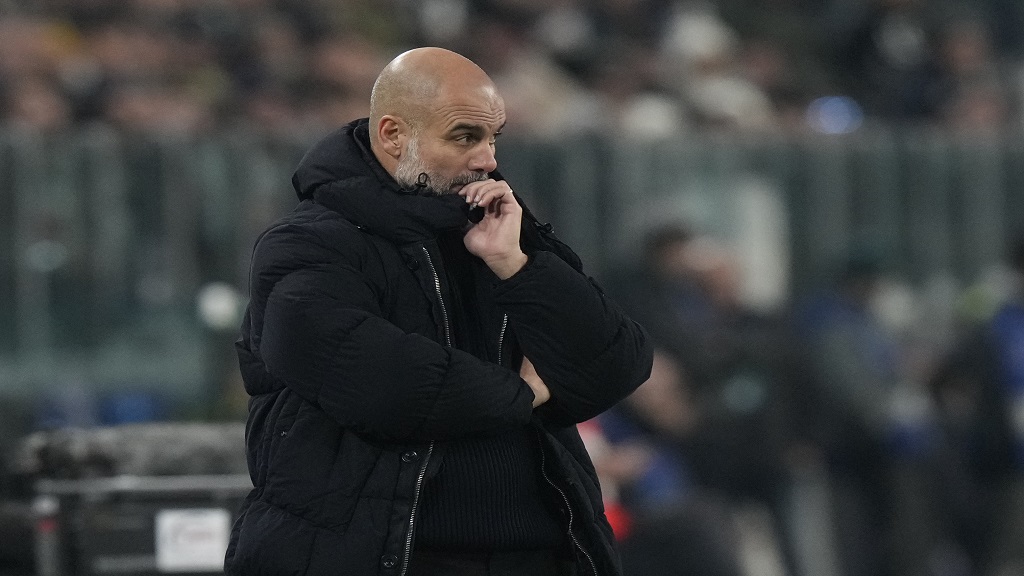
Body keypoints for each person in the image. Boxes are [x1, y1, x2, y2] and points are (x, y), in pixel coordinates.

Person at [224, 46, 654, 576]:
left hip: (541, 554)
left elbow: (616, 364)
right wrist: (525, 393)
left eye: (493, 137)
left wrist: (516, 265)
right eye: (465, 137)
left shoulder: (499, 227)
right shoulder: (306, 246)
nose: (488, 159)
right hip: (387, 557)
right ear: (393, 135)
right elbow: (382, 383)